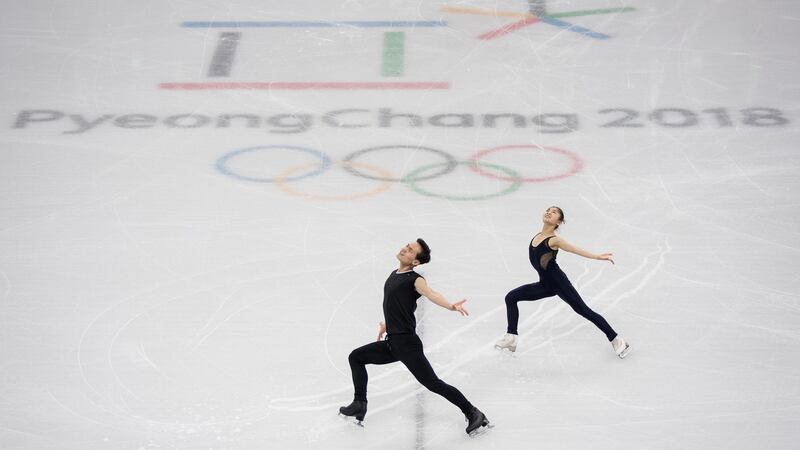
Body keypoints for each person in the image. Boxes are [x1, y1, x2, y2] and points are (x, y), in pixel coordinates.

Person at [339, 239, 491, 436]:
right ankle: (359, 404)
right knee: (356, 357)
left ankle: (473, 412)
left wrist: (451, 306)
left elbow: (431, 293)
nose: (405, 249)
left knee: (433, 383)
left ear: (416, 262)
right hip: (393, 342)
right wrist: (387, 324)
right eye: (407, 246)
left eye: (410, 250)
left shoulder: (415, 279)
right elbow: (394, 304)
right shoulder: (394, 275)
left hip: (407, 344)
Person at [495, 206, 631, 358]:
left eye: (554, 212)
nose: (549, 212)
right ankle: (512, 337)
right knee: (511, 297)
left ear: (558, 222)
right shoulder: (537, 236)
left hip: (560, 283)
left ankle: (616, 339)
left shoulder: (554, 240)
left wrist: (597, 257)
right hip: (545, 285)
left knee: (584, 310)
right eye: (548, 210)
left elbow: (575, 249)